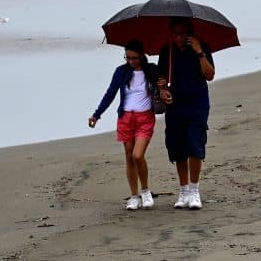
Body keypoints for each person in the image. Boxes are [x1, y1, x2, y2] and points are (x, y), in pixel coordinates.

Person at [88, 40, 161, 210]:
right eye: (127, 58)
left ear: (142, 55)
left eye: (134, 58)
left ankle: (145, 191)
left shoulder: (151, 70)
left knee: (137, 155)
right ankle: (134, 196)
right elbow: (111, 93)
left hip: (145, 118)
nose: (131, 61)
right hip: (126, 118)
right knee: (129, 157)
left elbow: (163, 88)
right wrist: (97, 114)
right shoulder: (121, 72)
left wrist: (163, 87)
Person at [156, 17, 215, 210]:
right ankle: (183, 190)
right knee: (177, 145)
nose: (179, 37)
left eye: (183, 34)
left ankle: (194, 189)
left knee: (195, 142)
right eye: (176, 34)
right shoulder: (167, 51)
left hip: (197, 102)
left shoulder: (201, 47)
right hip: (175, 105)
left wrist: (199, 52)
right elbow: (161, 78)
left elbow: (210, 75)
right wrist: (162, 89)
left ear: (190, 34)